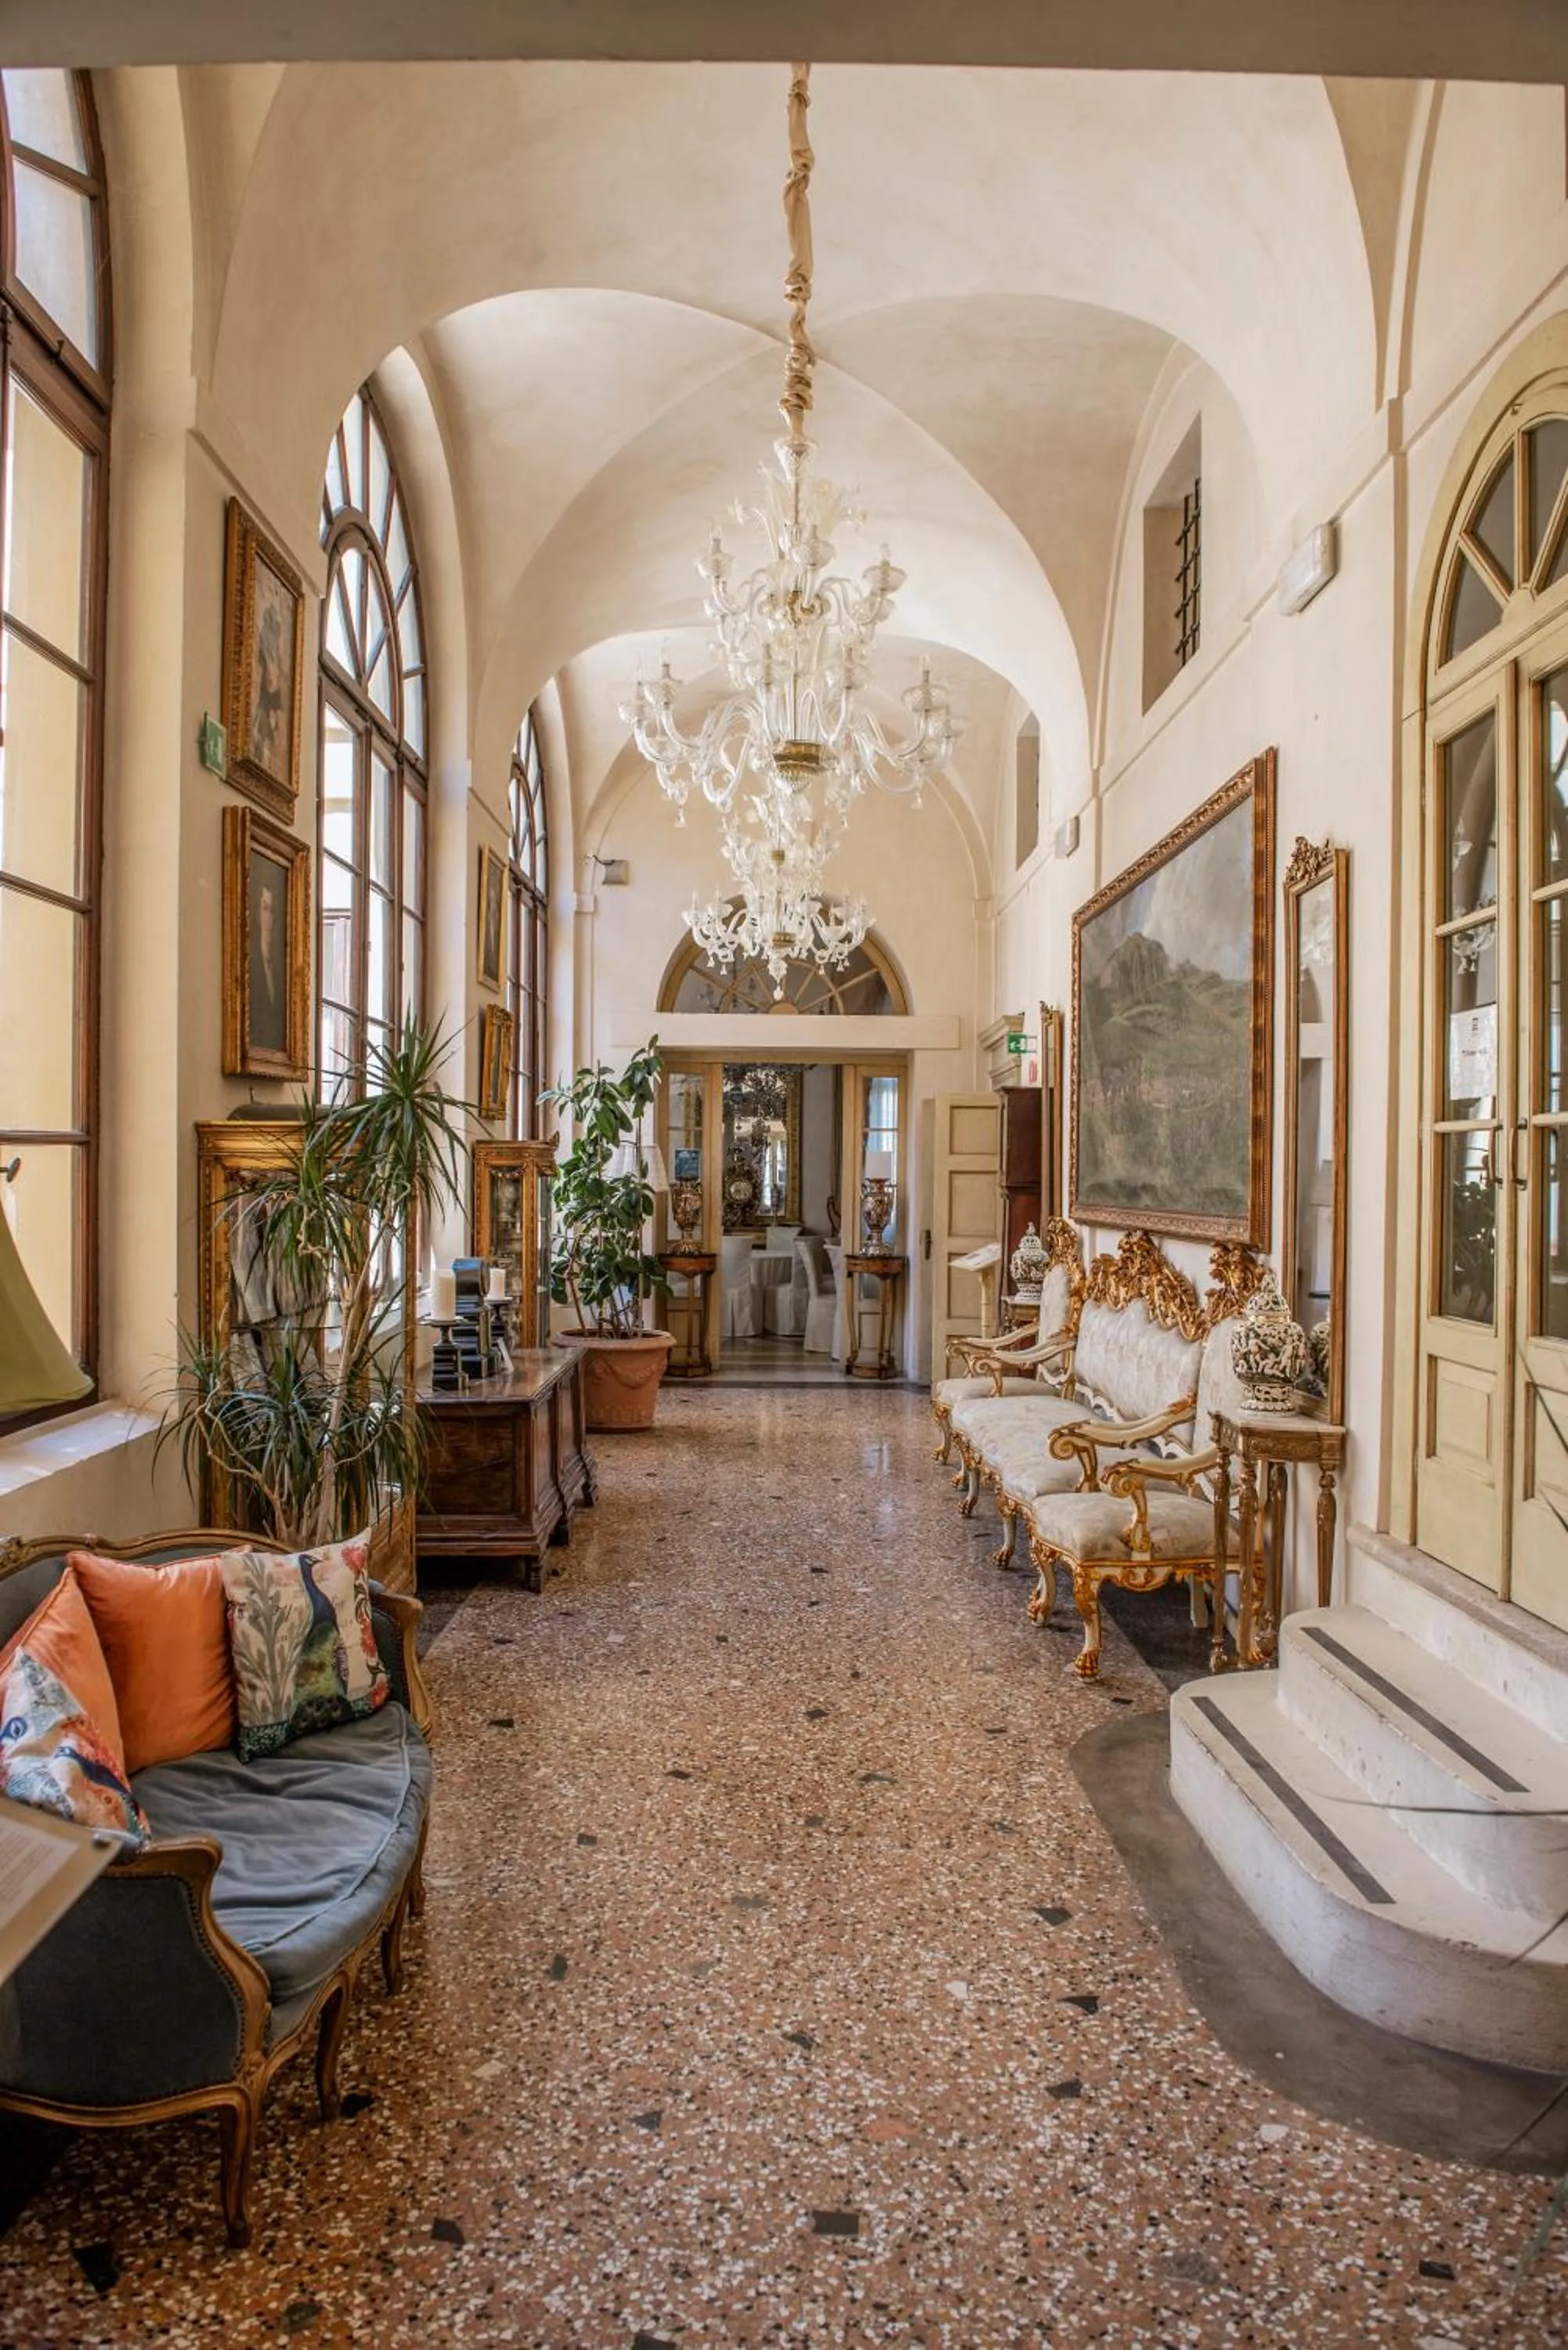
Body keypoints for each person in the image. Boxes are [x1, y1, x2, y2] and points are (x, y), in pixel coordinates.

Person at [249, 859, 287, 1054]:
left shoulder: (283, 970)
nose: (268, 917)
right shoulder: (251, 963)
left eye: (272, 910)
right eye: (264, 908)